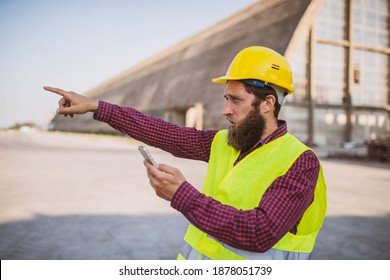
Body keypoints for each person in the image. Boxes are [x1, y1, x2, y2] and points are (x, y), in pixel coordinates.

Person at [44, 46, 327, 260]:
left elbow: (259, 232)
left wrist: (182, 195)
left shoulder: (300, 162)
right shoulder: (224, 142)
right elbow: (162, 133)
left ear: (267, 103)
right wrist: (97, 107)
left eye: (236, 100)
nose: (226, 109)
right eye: (226, 98)